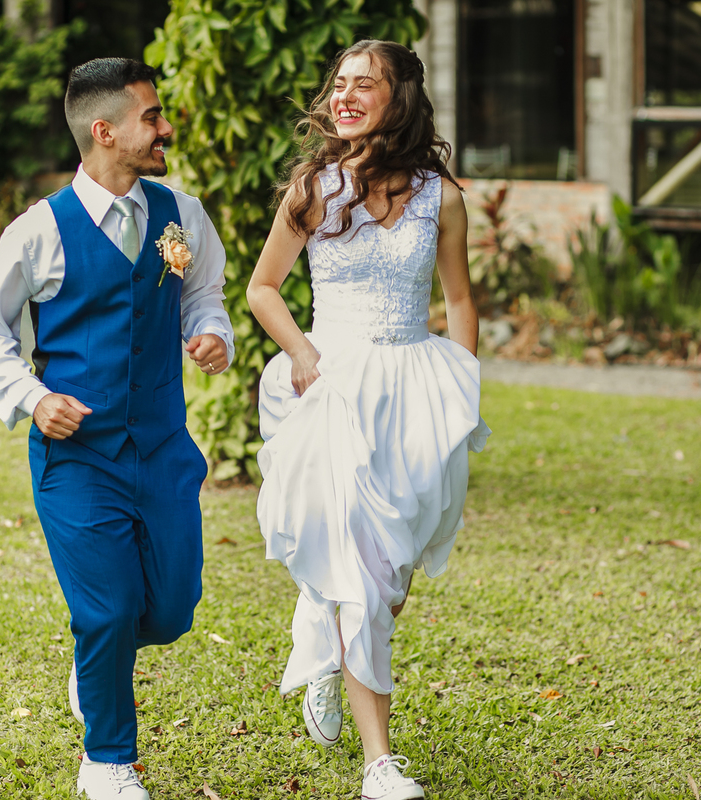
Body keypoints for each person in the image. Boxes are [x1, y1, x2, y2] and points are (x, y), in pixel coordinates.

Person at [0, 58, 234, 800]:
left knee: (172, 608)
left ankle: (97, 663)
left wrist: (213, 335)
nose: (165, 127)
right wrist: (30, 395)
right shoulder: (39, 231)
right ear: (104, 130)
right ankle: (107, 762)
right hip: (76, 457)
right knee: (107, 608)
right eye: (153, 116)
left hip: (163, 449)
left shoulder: (182, 212)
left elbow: (204, 295)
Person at [247, 39, 490, 800]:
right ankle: (379, 764)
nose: (346, 96)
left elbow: (460, 301)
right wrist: (303, 354)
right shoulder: (314, 187)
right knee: (360, 571)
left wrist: (464, 391)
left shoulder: (440, 195)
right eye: (340, 84)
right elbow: (263, 288)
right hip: (335, 386)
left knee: (390, 578)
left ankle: (321, 646)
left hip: (416, 389)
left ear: (402, 96)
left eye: (367, 83)